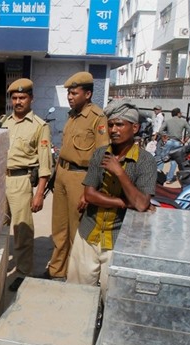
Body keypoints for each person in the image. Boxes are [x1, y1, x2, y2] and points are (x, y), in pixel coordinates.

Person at [67, 101, 156, 299]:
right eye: (111, 125)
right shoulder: (100, 154)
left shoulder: (146, 161)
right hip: (89, 233)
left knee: (113, 298)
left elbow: (141, 204)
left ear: (135, 128)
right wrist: (124, 203)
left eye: (120, 125)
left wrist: (120, 173)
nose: (113, 130)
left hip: (118, 240)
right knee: (77, 295)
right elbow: (90, 194)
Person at [46, 71, 109, 281]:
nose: (70, 97)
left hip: (80, 178)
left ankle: (74, 276)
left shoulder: (97, 118)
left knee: (76, 230)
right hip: (63, 174)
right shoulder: (72, 115)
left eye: (74, 93)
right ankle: (57, 270)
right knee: (59, 227)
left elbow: (102, 157)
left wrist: (89, 190)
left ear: (88, 94)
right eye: (69, 94)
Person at [0, 78, 53, 292]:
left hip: (22, 181)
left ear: (31, 98)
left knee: (22, 231)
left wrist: (39, 193)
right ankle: (0, 267)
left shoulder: (40, 126)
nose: (18, 101)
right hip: (1, 179)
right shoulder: (5, 122)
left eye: (22, 97)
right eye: (15, 98)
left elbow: (45, 165)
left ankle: (23, 272)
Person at [158, 107, 190, 184]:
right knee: (174, 161)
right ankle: (169, 179)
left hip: (169, 141)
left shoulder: (168, 121)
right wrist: (185, 140)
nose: (181, 114)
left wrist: (165, 137)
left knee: (162, 158)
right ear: (178, 113)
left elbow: (160, 130)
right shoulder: (183, 122)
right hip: (178, 143)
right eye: (180, 113)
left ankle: (157, 174)